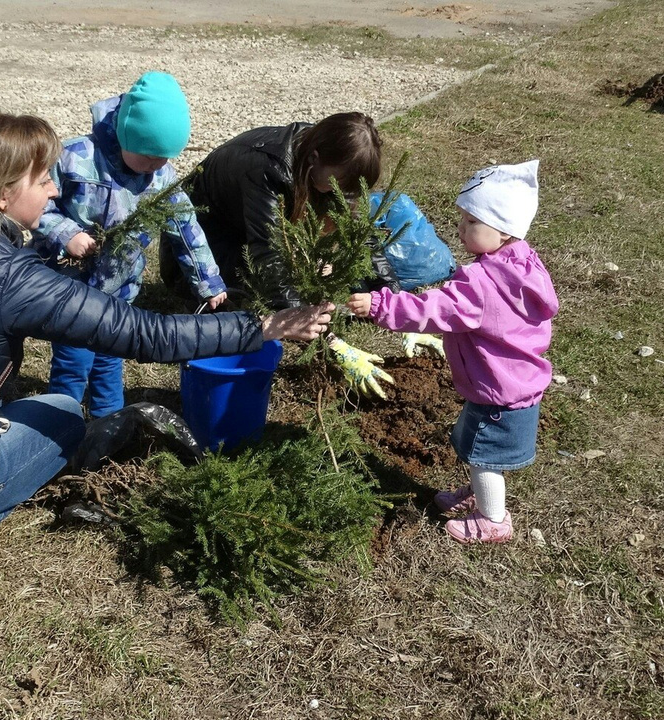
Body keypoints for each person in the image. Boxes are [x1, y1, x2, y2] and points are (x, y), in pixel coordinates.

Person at [0, 111, 333, 595]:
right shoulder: (10, 278)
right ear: (0, 196)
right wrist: (265, 326)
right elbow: (148, 335)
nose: (55, 189)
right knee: (63, 412)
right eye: (42, 181)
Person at [346, 160, 558, 545]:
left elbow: (431, 310)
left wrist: (380, 305)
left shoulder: (479, 283)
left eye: (472, 222)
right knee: (481, 448)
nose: (460, 228)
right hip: (515, 381)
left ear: (504, 231)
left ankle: (493, 519)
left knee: (483, 455)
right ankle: (481, 495)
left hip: (497, 391)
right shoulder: (522, 265)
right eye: (461, 218)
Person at [34, 71, 227, 418]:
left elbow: (186, 229)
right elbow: (36, 206)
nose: (155, 166)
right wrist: (66, 233)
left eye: (163, 158)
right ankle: (58, 421)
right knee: (73, 361)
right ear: (125, 134)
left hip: (120, 291)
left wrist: (208, 281)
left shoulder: (161, 179)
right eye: (147, 156)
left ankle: (110, 421)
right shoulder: (75, 158)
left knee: (110, 359)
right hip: (70, 290)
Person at [159, 111, 391, 310]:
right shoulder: (268, 170)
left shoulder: (329, 158)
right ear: (314, 157)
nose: (341, 192)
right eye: (338, 183)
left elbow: (360, 233)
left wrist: (391, 297)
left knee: (343, 279)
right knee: (261, 292)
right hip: (201, 249)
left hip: (245, 232)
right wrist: (299, 318)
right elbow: (268, 253)